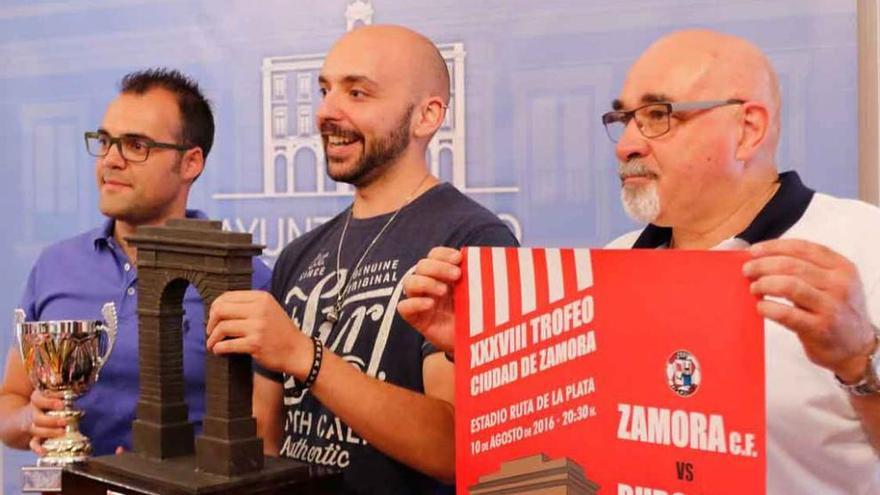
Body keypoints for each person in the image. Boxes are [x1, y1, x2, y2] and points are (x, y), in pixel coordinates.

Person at [400, 30, 880, 493]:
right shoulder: (613, 262)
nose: (628, 143)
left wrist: (858, 362)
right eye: (624, 119)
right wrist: (484, 353)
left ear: (747, 129)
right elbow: (559, 455)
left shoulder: (862, 245)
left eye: (657, 115)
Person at [205, 25, 517, 494]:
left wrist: (303, 356)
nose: (327, 113)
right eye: (326, 90)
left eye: (357, 92)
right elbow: (263, 435)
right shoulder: (300, 253)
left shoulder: (471, 241)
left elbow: (458, 449)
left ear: (426, 115)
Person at [0, 68, 272, 457]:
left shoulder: (245, 283)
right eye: (106, 141)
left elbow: (267, 436)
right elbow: (9, 402)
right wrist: (30, 418)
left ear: (191, 162)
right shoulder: (54, 266)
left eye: (136, 145)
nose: (111, 160)